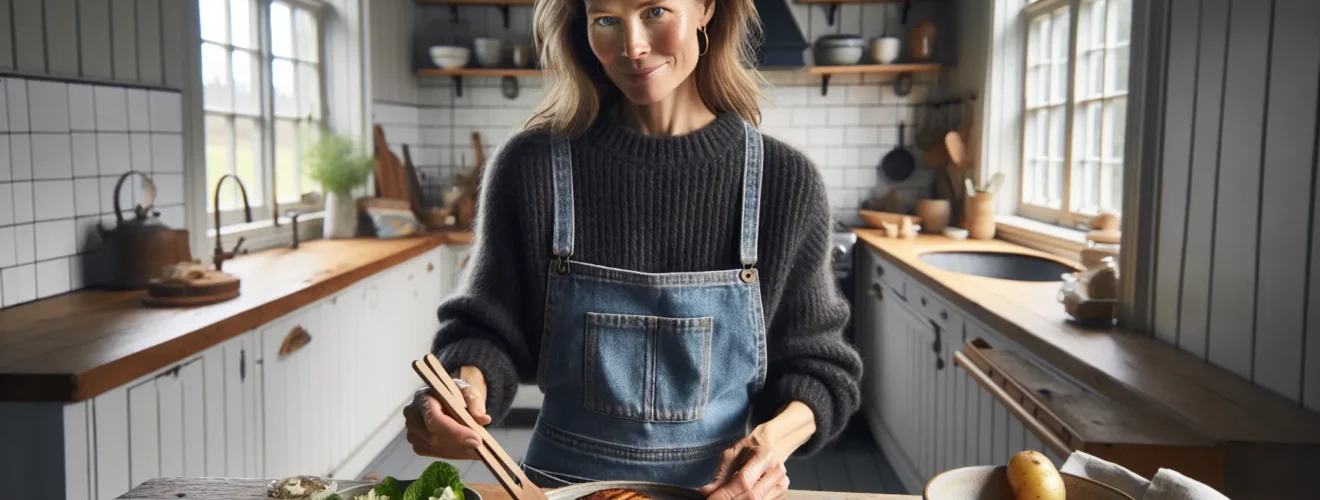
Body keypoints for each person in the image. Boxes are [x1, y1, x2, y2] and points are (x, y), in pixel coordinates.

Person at [403, 0, 862, 497]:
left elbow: (820, 370)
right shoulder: (529, 168)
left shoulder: (786, 182)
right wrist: (460, 390)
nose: (633, 47)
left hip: (719, 492)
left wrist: (771, 443)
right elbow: (484, 332)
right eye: (605, 20)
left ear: (707, 8)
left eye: (656, 11)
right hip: (555, 490)